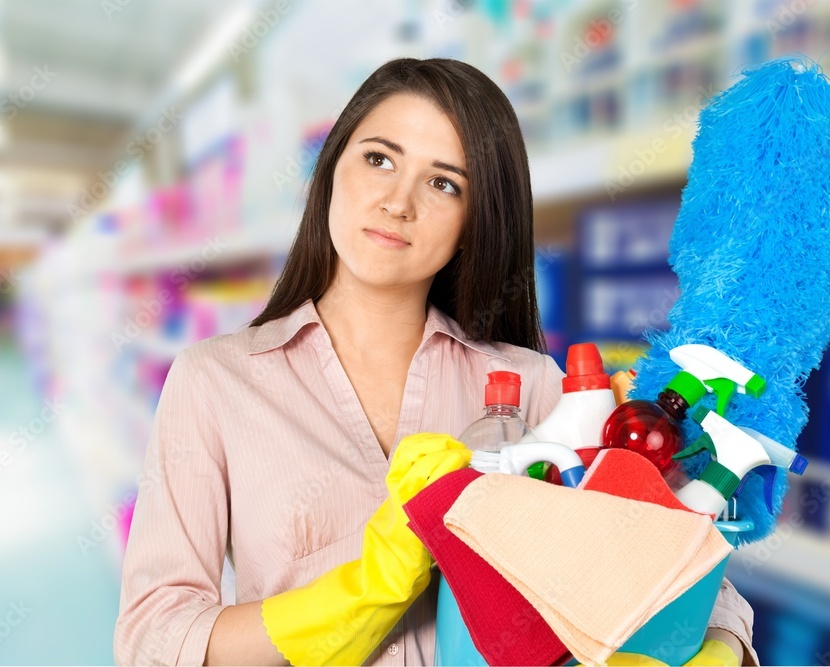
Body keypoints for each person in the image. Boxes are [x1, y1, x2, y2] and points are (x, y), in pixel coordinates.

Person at [114, 58, 758, 666]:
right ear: (331, 169)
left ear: (476, 218)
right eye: (378, 159)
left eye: (444, 182)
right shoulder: (216, 383)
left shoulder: (535, 388)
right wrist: (354, 594)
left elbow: (679, 553)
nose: (399, 202)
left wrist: (720, 649)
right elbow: (154, 636)